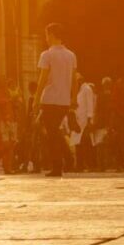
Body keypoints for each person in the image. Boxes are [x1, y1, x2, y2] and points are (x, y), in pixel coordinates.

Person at [34, 22, 79, 177]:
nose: (46, 38)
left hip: (49, 99)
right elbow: (74, 80)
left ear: (52, 35)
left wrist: (36, 99)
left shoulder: (46, 55)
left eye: (47, 35)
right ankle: (66, 160)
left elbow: (42, 79)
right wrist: (73, 98)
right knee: (54, 131)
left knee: (52, 133)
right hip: (64, 101)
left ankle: (59, 164)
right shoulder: (71, 55)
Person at [73, 75, 97, 171]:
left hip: (85, 121)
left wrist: (89, 120)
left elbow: (90, 105)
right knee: (78, 144)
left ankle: (90, 165)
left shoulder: (87, 89)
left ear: (80, 80)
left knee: (86, 144)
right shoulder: (78, 90)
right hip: (78, 122)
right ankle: (80, 165)